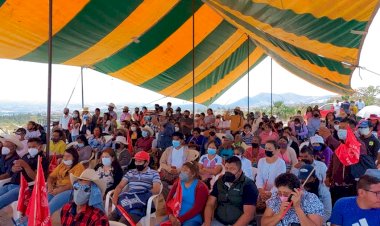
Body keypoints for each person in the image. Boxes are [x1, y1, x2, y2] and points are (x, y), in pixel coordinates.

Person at [204, 156, 258, 226]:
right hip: (219, 221)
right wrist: (207, 223)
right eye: (226, 168)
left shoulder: (248, 185)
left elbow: (248, 215)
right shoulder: (220, 182)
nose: (228, 171)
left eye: (232, 169)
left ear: (240, 171)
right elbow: (210, 204)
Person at [110, 151, 161, 225]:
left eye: (140, 162)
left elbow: (156, 189)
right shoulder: (130, 172)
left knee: (122, 223)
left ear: (146, 163)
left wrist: (141, 196)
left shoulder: (154, 173)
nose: (137, 164)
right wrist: (115, 196)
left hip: (140, 204)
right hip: (127, 201)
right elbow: (120, 186)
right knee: (108, 220)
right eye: (136, 161)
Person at [0, 137, 48, 209]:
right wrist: (13, 169)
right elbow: (13, 169)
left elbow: (36, 178)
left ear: (40, 147)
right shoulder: (26, 155)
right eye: (29, 147)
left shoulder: (42, 160)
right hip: (11, 183)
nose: (31, 149)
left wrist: (25, 166)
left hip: (23, 187)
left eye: (33, 147)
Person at [161, 161, 209, 226]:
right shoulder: (178, 183)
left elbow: (197, 208)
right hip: (175, 215)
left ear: (193, 174)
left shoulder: (201, 187)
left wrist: (180, 220)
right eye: (182, 170)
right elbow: (168, 201)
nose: (182, 172)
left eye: (185, 170)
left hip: (192, 218)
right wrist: (170, 215)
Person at [48, 147, 85, 214]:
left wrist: (60, 190)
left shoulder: (79, 167)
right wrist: (50, 186)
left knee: (50, 206)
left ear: (74, 157)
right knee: (41, 202)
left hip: (70, 191)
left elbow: (74, 184)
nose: (65, 158)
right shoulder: (62, 165)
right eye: (64, 156)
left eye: (68, 156)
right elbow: (51, 177)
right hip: (56, 188)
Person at [256, 140, 286, 211]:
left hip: (276, 192)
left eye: (269, 149)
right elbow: (259, 177)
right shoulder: (261, 161)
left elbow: (279, 181)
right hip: (262, 191)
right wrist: (261, 190)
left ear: (276, 150)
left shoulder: (281, 163)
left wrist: (270, 193)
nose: (267, 150)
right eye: (266, 148)